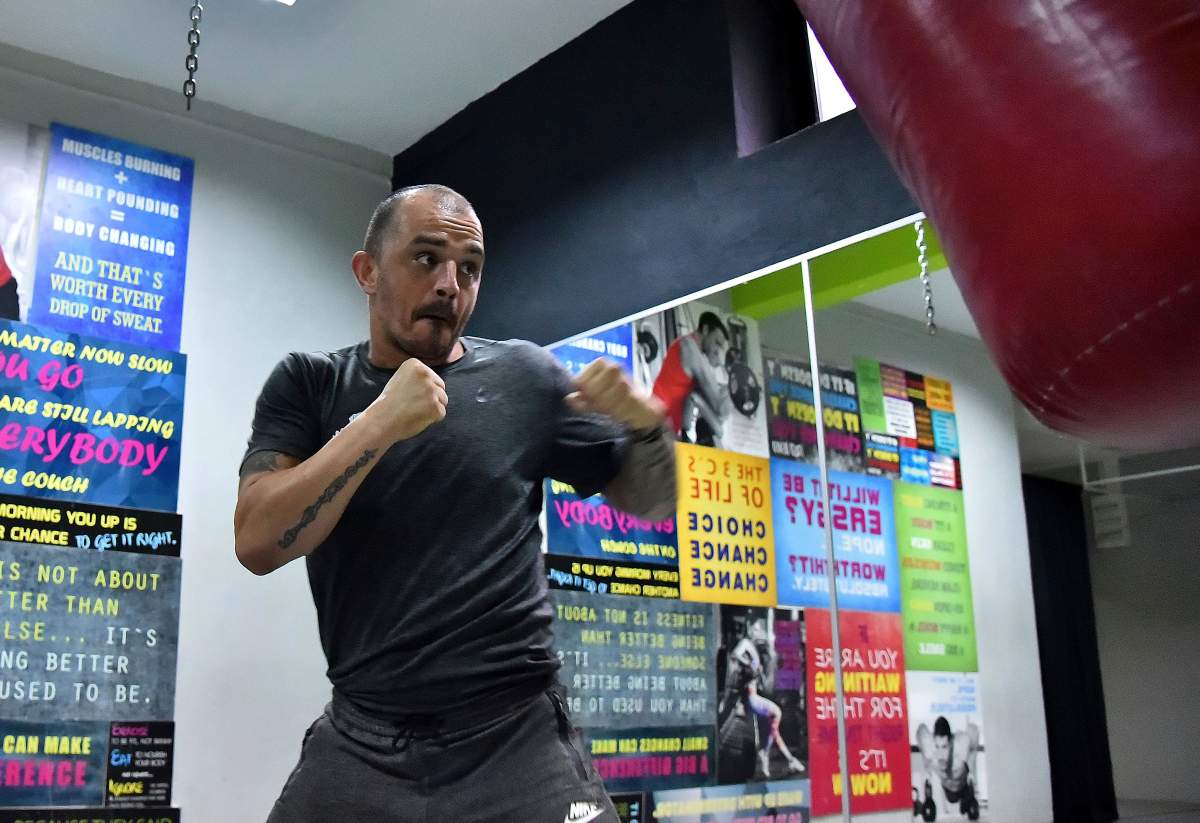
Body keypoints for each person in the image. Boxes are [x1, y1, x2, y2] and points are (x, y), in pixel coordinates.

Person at [234, 184, 676, 823]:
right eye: (426, 258)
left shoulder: (524, 377)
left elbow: (653, 503)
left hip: (515, 740)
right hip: (364, 739)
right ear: (367, 271)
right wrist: (379, 422)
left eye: (469, 268)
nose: (450, 284)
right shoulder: (311, 384)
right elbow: (256, 541)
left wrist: (646, 431)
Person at [723, 619, 805, 780]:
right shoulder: (746, 645)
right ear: (751, 630)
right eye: (757, 630)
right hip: (751, 698)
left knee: (773, 730)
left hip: (752, 697)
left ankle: (779, 759)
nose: (759, 634)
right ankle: (768, 755)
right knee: (776, 715)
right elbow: (736, 655)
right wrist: (750, 665)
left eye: (760, 631)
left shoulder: (753, 651)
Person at [651, 311, 730, 447]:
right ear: (705, 330)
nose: (716, 350)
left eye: (720, 347)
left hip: (665, 430)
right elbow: (719, 407)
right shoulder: (690, 348)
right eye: (716, 343)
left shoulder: (683, 343)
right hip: (659, 428)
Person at [915, 716, 981, 814]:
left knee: (971, 729)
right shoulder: (930, 747)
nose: (941, 755)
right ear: (934, 741)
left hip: (962, 785)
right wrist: (926, 765)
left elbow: (973, 730)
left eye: (944, 747)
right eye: (938, 747)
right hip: (948, 789)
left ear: (950, 743)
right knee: (952, 799)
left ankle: (967, 798)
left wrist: (971, 770)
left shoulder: (961, 745)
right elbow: (921, 730)